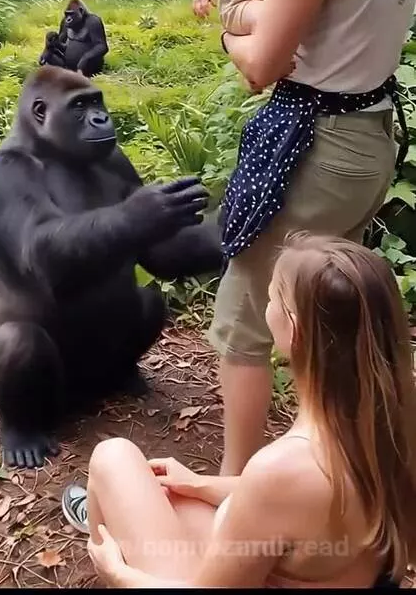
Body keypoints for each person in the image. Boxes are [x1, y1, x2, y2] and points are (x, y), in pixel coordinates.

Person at [206, 0, 416, 477]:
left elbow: (263, 64)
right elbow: (324, 21)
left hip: (316, 144)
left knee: (246, 314)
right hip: (368, 136)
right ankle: (337, 468)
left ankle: (238, 489)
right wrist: (266, 19)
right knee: (322, 315)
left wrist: (235, 19)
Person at [61, 234, 416, 587]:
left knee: (112, 458)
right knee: (167, 493)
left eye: (274, 295)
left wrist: (120, 574)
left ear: (295, 328)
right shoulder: (392, 420)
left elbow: (288, 492)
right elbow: (307, 505)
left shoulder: (285, 468)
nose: (267, 302)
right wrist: (203, 484)